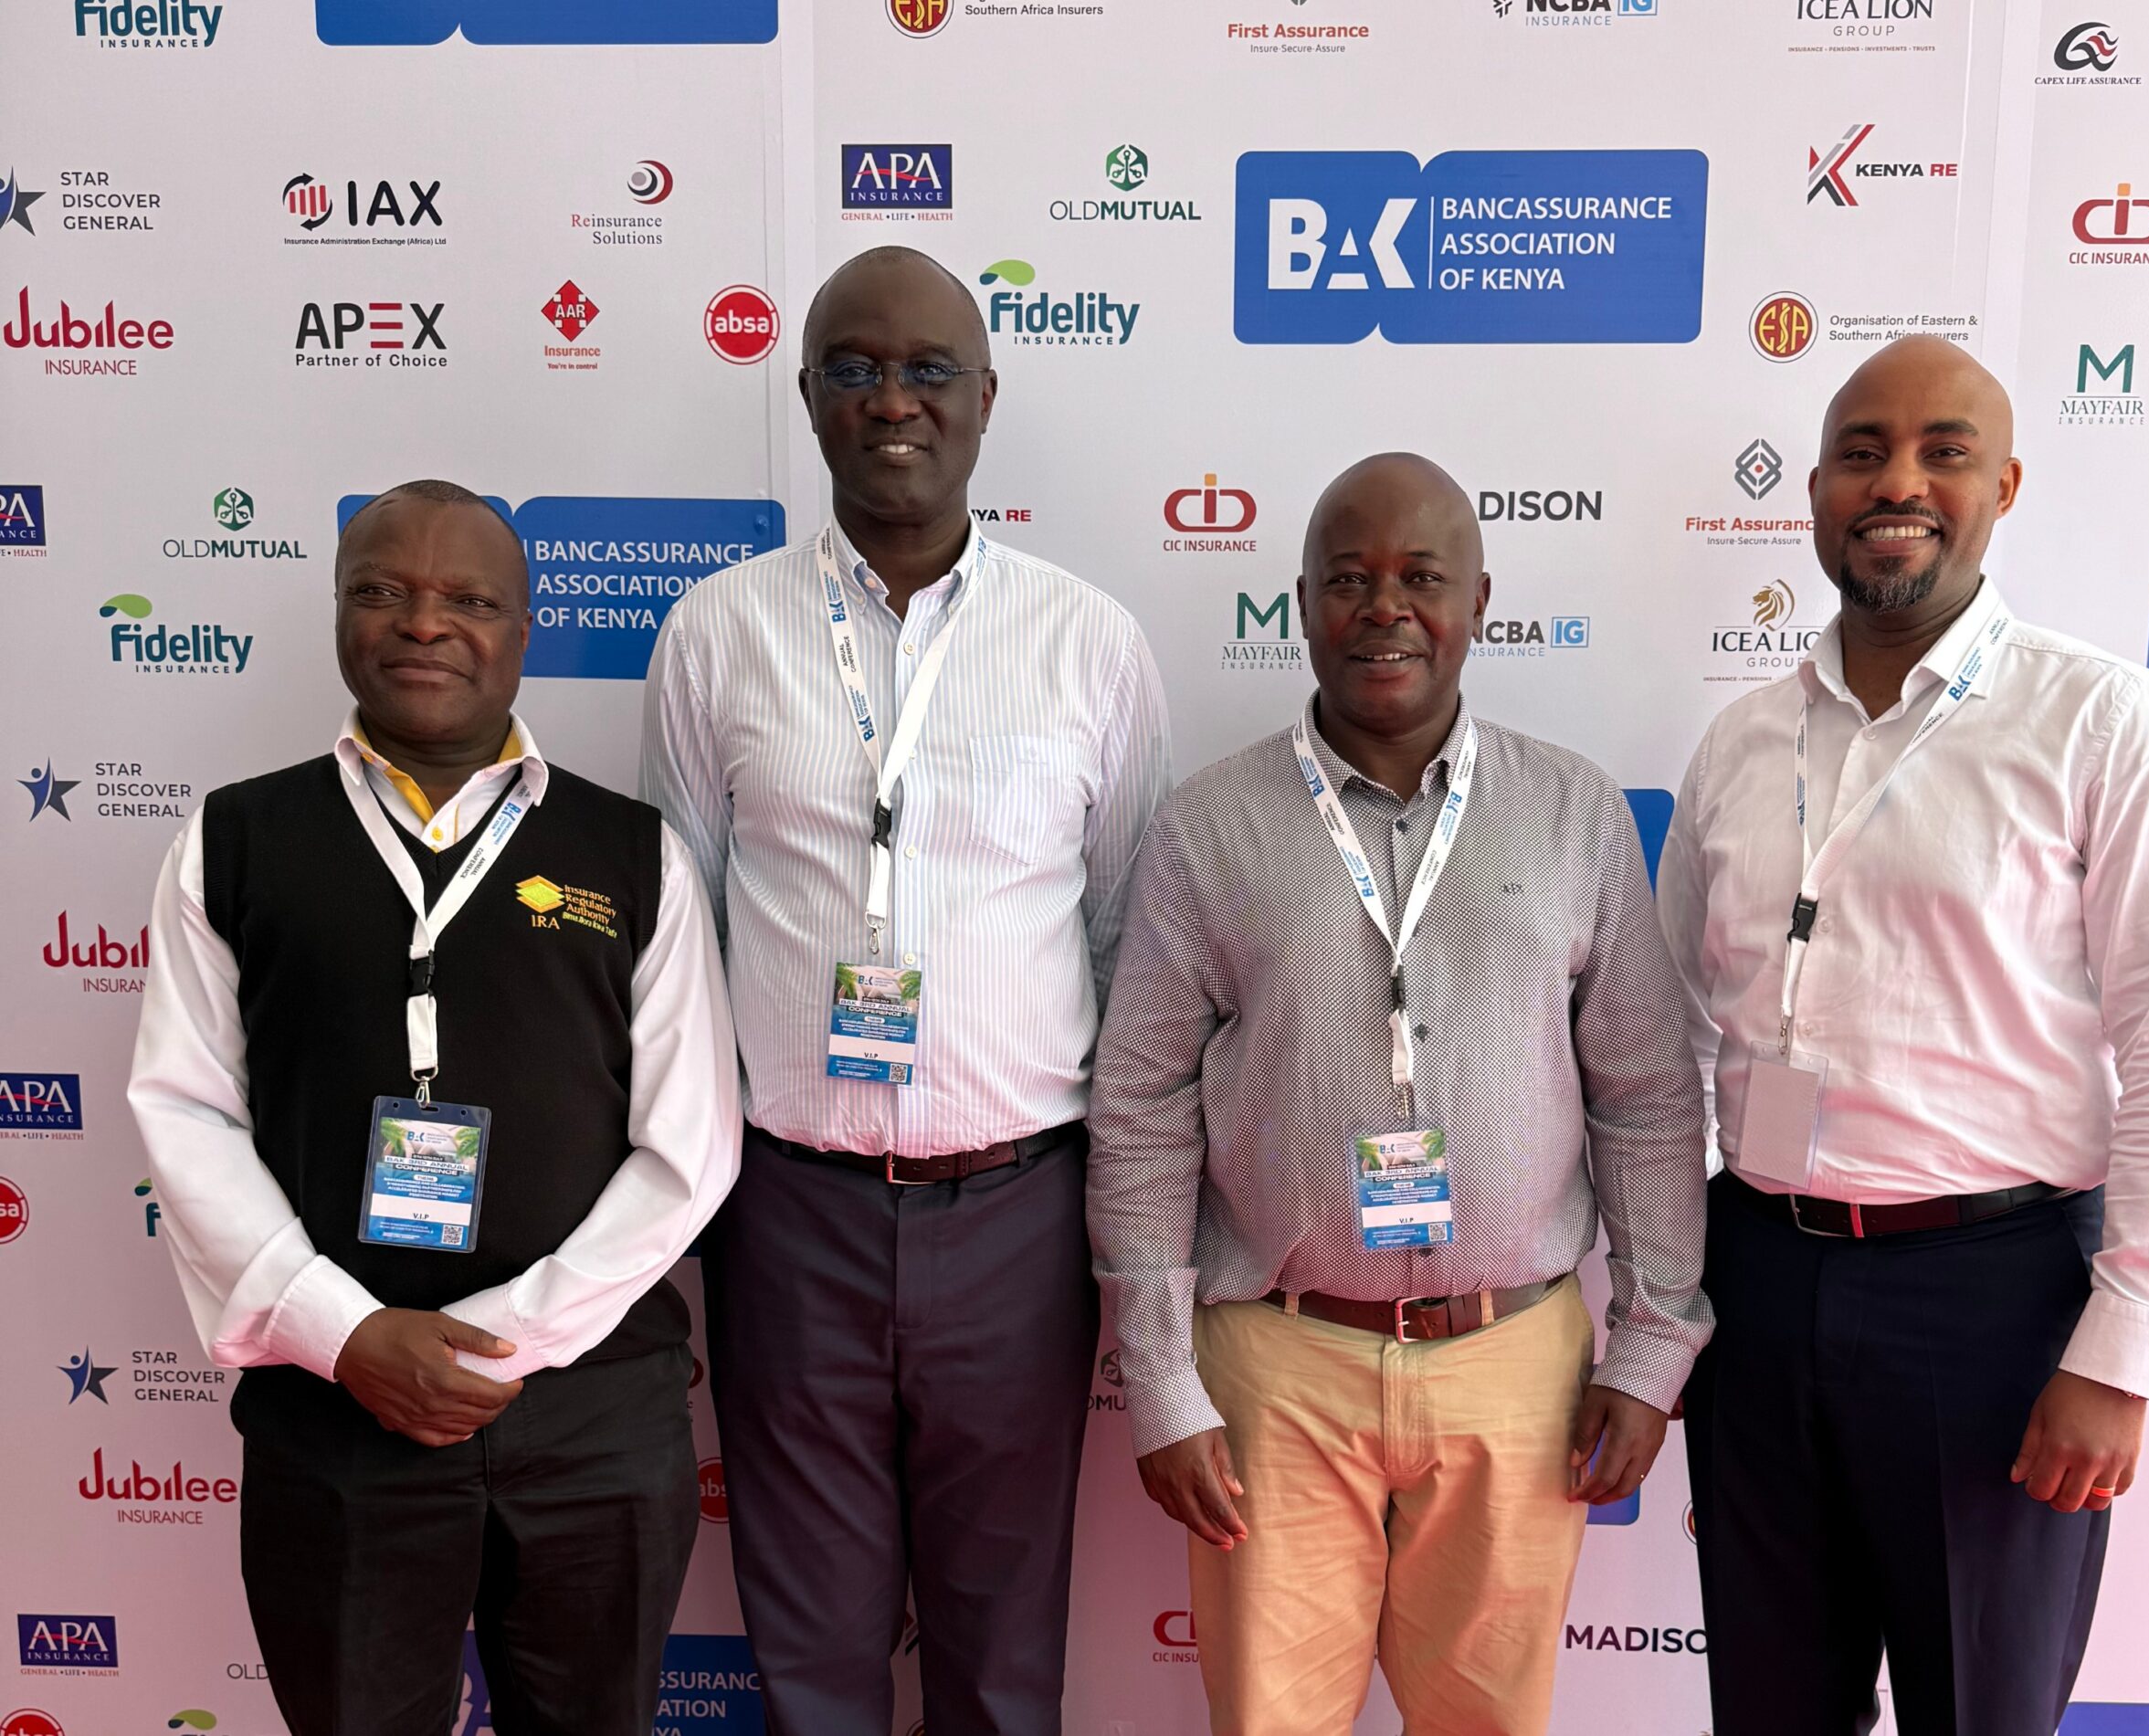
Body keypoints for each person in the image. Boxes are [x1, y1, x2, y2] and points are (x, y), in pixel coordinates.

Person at [1657, 338, 2149, 1735]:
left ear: (2005, 486)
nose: (1898, 483)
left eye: (1944, 451)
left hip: (1995, 1304)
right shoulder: (1741, 741)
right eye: (1862, 452)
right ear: (1814, 491)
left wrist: (2123, 1346)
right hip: (1758, 1283)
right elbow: (1665, 1025)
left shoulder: (2103, 719)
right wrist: (1663, 1302)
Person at [1089, 452, 1712, 1736]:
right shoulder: (1208, 825)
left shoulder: (1574, 811)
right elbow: (1142, 1109)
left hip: (1514, 1369)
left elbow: (1647, 1097)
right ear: (1301, 603)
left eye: (1422, 577)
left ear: (1478, 600)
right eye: (1349, 579)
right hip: (1278, 1368)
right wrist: (1158, 1377)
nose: (1385, 608)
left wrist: (1653, 1345)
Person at [641, 245, 1171, 1735]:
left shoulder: (1091, 643)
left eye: (928, 368)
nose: (893, 400)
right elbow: (678, 946)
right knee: (810, 1655)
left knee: (1002, 1660)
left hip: (1020, 1217)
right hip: (786, 1214)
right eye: (857, 369)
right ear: (808, 396)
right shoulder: (714, 634)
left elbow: (1129, 944)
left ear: (986, 398)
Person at [129, 479, 743, 1736]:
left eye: (469, 599)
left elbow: (689, 1145)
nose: (424, 623)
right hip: (335, 1412)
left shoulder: (634, 854)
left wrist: (498, 1342)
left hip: (589, 1411)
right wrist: (350, 1335)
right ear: (337, 611)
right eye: (383, 592)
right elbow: (186, 1114)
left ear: (523, 629)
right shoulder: (233, 841)